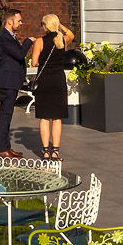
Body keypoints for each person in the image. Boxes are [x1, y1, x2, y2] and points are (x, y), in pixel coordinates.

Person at [27, 13, 81, 162]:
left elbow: (34, 62)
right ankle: (55, 152)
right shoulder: (62, 40)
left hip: (45, 80)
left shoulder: (40, 41)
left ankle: (45, 152)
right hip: (58, 79)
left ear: (45, 26)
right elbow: (71, 34)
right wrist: (60, 26)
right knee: (57, 118)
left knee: (44, 117)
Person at [0, 8, 29, 158]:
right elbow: (19, 54)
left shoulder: (10, 36)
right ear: (10, 21)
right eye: (18, 20)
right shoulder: (4, 37)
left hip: (11, 80)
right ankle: (2, 148)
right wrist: (28, 42)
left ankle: (6, 147)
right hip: (8, 81)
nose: (21, 23)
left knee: (8, 115)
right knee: (6, 115)